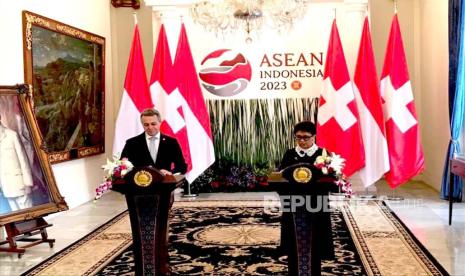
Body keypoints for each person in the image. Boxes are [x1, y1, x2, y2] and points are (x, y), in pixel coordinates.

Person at [277, 121, 335, 268]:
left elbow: (332, 179)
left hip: (317, 204)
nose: (302, 141)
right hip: (294, 203)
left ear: (314, 136)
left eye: (306, 137)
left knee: (316, 240)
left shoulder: (324, 154)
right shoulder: (290, 154)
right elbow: (280, 178)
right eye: (298, 137)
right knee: (293, 241)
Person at [121, 108, 187, 175]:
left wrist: (170, 173)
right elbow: (122, 166)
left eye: (153, 124)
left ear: (160, 122)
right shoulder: (131, 143)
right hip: (140, 183)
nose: (150, 127)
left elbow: (182, 167)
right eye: (146, 124)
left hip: (165, 183)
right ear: (142, 124)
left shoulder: (171, 142)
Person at [0, 114, 34, 211]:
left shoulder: (12, 135)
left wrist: (28, 183)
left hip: (20, 185)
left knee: (30, 215)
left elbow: (23, 159)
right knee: (17, 219)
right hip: (5, 187)